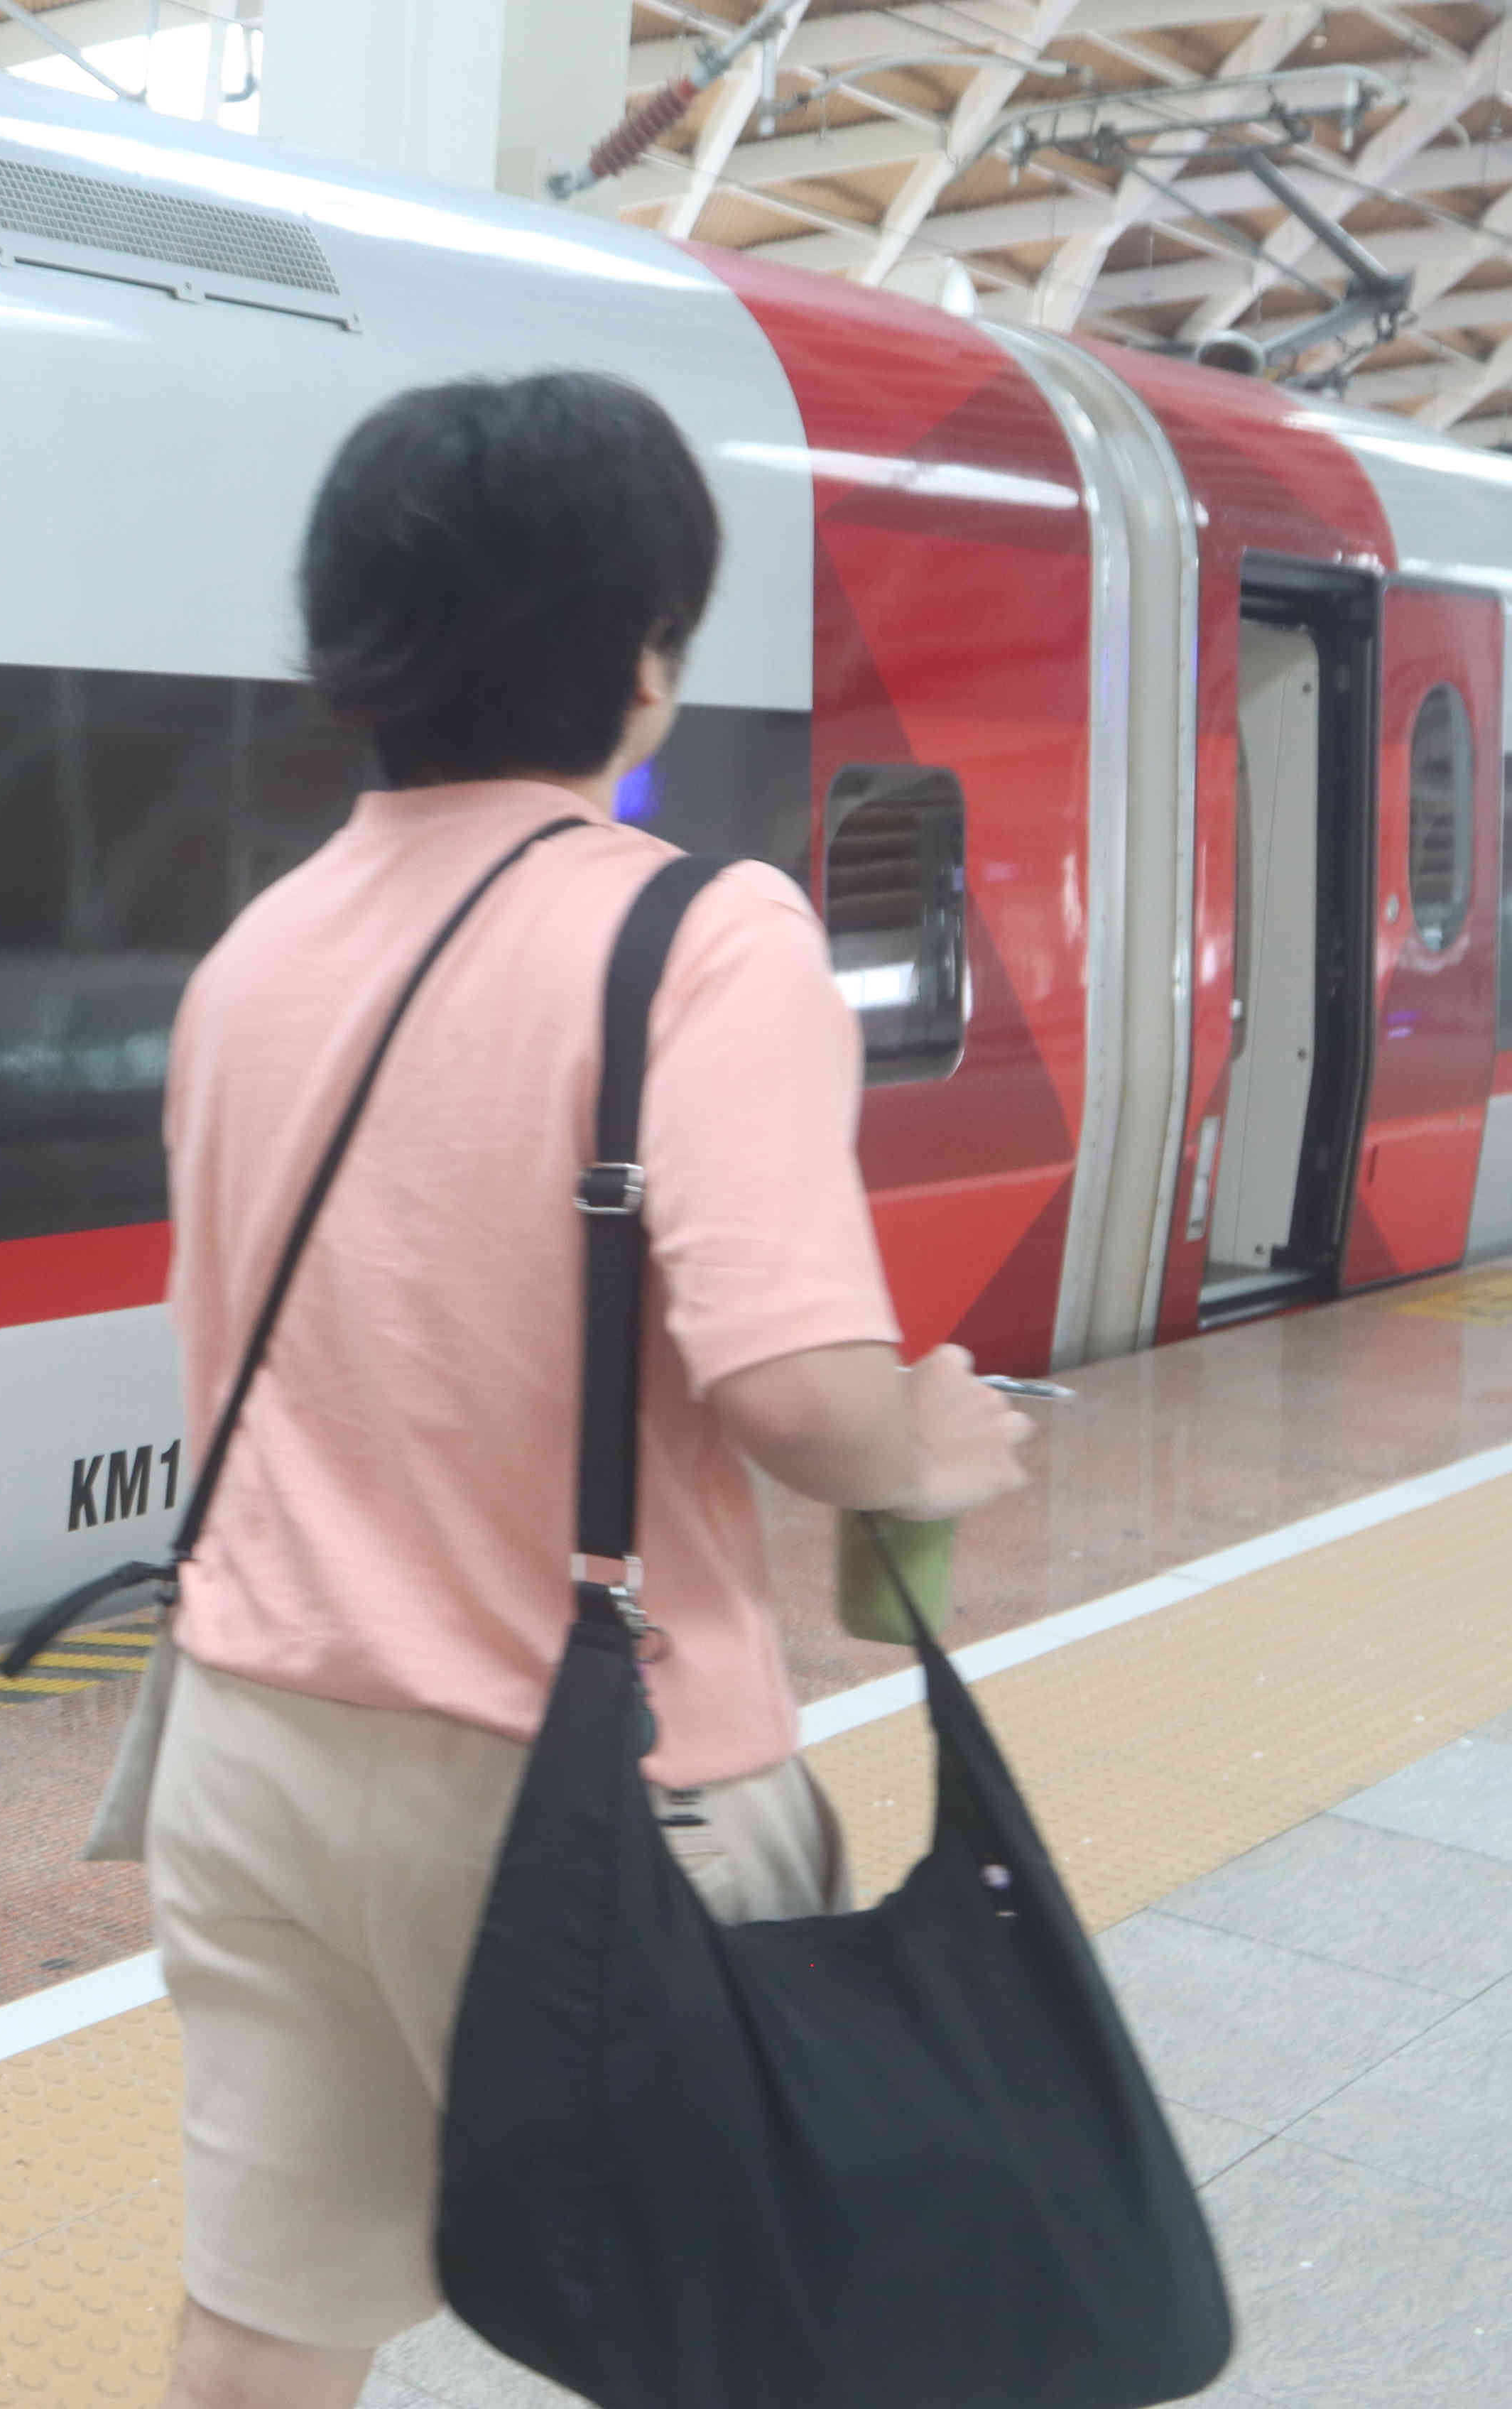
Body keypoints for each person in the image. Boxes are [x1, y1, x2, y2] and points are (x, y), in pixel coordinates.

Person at [137, 373, 1035, 2409]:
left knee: (264, 2316)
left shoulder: (249, 954)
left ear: (349, 632)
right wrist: (936, 1443)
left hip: (257, 1739)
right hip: (586, 1781)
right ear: (637, 651)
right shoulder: (698, 935)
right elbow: (802, 1397)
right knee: (737, 2332)